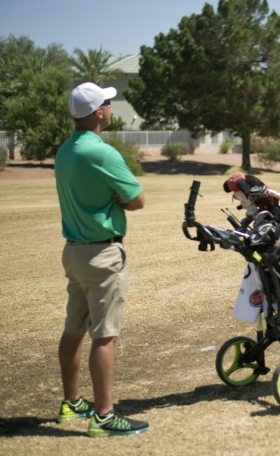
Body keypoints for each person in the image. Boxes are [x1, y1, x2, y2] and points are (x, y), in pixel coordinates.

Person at [54, 82, 148, 437]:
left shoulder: (65, 151)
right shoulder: (103, 153)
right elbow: (137, 200)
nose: (110, 106)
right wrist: (117, 200)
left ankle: (72, 402)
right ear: (98, 112)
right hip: (103, 254)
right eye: (107, 101)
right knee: (104, 335)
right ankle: (105, 416)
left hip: (74, 252)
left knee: (73, 328)